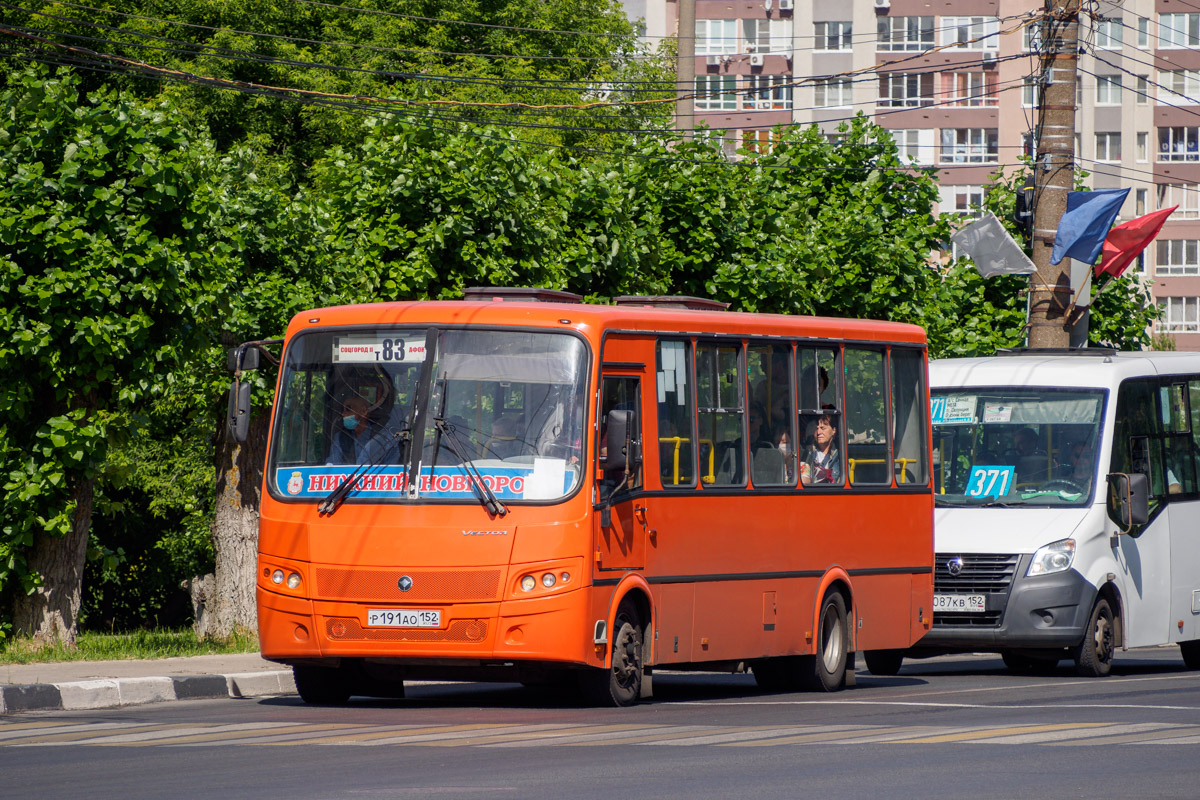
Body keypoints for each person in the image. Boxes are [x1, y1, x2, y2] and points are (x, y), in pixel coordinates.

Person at [329, 396, 396, 464]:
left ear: (363, 411)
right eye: (342, 410)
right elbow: (333, 463)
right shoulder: (340, 437)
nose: (343, 414)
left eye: (348, 409)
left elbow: (392, 468)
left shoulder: (383, 438)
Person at [801, 412, 842, 485]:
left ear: (833, 430)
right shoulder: (808, 453)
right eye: (817, 429)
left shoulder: (840, 457)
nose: (819, 432)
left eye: (823, 428)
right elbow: (804, 481)